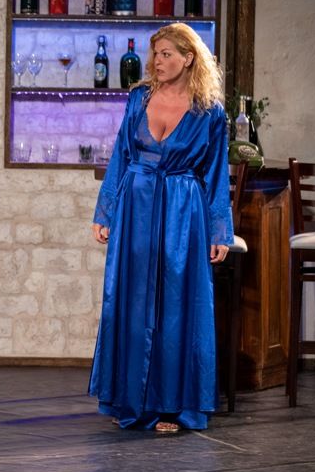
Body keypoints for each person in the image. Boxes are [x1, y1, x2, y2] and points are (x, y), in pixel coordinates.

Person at [89, 23, 232, 432]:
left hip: (183, 212)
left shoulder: (209, 111)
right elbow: (121, 155)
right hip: (136, 206)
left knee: (176, 304)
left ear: (189, 58)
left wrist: (219, 230)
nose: (157, 61)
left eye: (167, 54)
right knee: (132, 299)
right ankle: (131, 400)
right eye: (156, 54)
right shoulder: (139, 98)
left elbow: (216, 174)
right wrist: (105, 211)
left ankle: (172, 407)